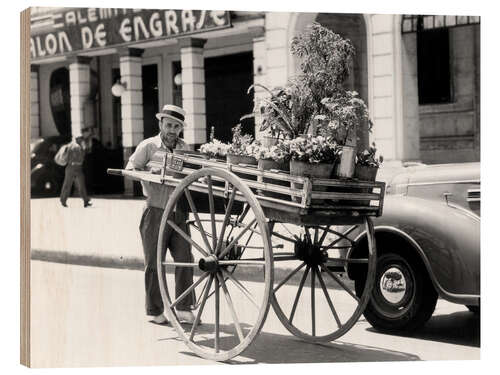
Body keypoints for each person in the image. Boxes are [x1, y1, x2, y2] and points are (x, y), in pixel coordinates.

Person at [126, 104, 196, 325]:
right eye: (168, 125)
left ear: (181, 129)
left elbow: (194, 173)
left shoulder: (185, 148)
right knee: (154, 263)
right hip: (155, 210)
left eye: (176, 126)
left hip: (179, 212)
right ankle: (155, 311)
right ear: (160, 124)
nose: (172, 130)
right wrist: (149, 173)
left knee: (185, 259)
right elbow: (130, 169)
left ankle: (184, 309)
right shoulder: (148, 146)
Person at [59, 134, 92, 208]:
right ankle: (85, 200)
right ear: (78, 139)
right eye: (81, 138)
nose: (82, 140)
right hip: (76, 168)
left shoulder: (70, 145)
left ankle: (63, 200)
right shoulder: (77, 146)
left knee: (67, 184)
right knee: (81, 185)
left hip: (70, 167)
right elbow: (81, 158)